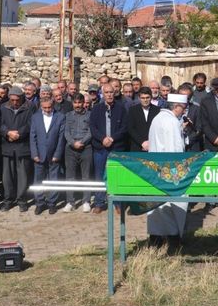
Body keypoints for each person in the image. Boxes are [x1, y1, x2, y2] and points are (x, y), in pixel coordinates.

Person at [146, 93, 189, 248]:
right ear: (176, 106)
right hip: (170, 170)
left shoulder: (157, 118)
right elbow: (175, 148)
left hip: (155, 169)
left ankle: (155, 239)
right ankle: (173, 240)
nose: (184, 112)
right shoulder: (171, 122)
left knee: (157, 205)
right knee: (174, 204)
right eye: (183, 108)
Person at [89, 84, 128, 214]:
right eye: (107, 92)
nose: (109, 94)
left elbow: (124, 127)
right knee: (99, 175)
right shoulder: (97, 109)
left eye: (111, 92)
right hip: (100, 147)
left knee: (115, 176)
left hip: (116, 147)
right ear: (102, 94)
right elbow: (93, 127)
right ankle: (99, 203)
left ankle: (117, 202)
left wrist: (112, 138)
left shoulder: (121, 109)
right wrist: (103, 139)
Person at [30, 97, 66, 215]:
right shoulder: (35, 117)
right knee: (38, 180)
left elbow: (61, 138)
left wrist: (57, 154)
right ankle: (40, 203)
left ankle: (52, 203)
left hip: (53, 154)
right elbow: (33, 137)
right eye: (44, 107)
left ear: (53, 105)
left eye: (49, 107)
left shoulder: (60, 117)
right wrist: (34, 153)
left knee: (54, 179)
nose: (47, 109)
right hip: (39, 155)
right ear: (41, 107)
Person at [0, 86, 34, 211]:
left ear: (22, 98)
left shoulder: (30, 107)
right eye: (12, 100)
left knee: (22, 176)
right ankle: (8, 200)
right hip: (7, 146)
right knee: (7, 177)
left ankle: (22, 200)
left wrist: (19, 133)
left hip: (22, 146)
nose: (15, 102)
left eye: (17, 100)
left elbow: (31, 124)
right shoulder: (3, 107)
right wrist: (7, 133)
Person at [63, 93, 93, 213]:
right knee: (70, 176)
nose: (78, 105)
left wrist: (82, 142)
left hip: (86, 148)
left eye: (80, 102)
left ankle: (86, 201)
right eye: (75, 103)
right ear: (72, 103)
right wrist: (73, 143)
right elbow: (66, 132)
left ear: (83, 103)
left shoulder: (90, 115)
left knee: (86, 176)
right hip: (70, 148)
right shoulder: (68, 115)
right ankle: (70, 201)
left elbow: (91, 132)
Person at [127, 87, 160, 152]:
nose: (145, 100)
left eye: (147, 97)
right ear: (139, 98)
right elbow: (130, 128)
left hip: (153, 146)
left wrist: (150, 143)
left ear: (151, 98)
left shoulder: (157, 110)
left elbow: (158, 129)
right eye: (143, 98)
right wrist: (142, 142)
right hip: (137, 146)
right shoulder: (133, 110)